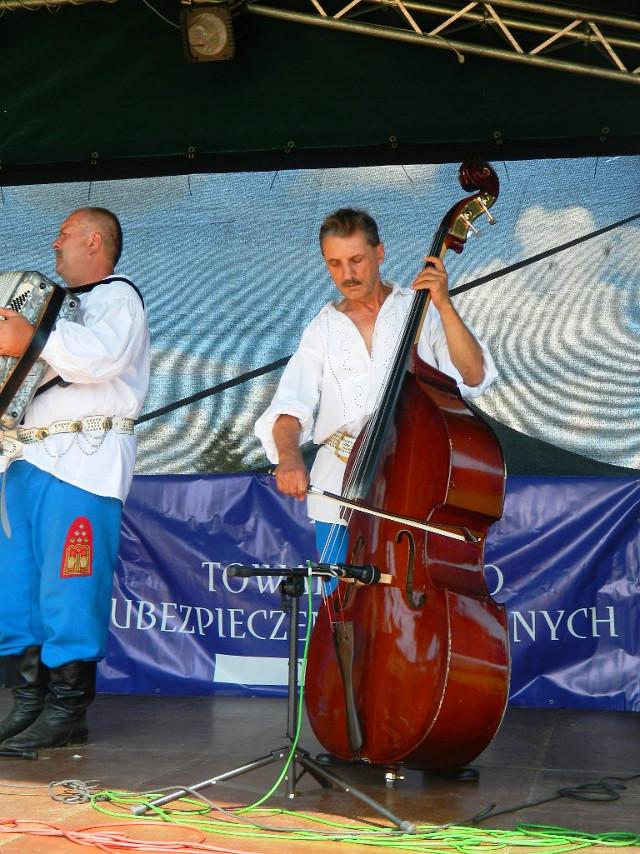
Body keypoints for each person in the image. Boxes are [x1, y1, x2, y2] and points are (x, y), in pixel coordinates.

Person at [255, 207, 497, 564]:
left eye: (356, 260)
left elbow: (475, 375)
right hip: (340, 483)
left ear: (379, 253)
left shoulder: (420, 308)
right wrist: (289, 457)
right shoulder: (322, 329)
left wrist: (444, 305)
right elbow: (289, 406)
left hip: (413, 481)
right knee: (341, 592)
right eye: (335, 264)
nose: (347, 275)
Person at [0, 207, 150, 750]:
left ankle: (67, 710)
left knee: (70, 588)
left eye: (63, 233)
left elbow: (102, 358)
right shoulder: (58, 305)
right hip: (25, 458)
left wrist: (33, 338)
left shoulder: (118, 296)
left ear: (94, 241)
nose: (54, 242)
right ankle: (29, 703)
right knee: (18, 590)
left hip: (83, 459)